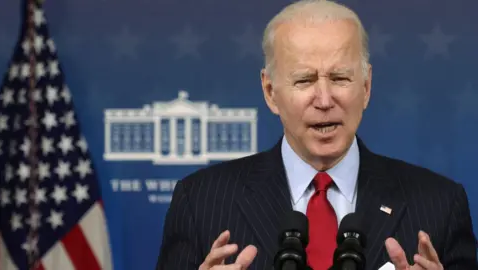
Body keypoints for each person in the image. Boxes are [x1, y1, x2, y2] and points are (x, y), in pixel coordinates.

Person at [155, 0, 478, 269]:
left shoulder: (439, 205)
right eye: (304, 80)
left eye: (339, 78)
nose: (324, 100)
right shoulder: (200, 203)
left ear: (365, 87)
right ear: (270, 92)